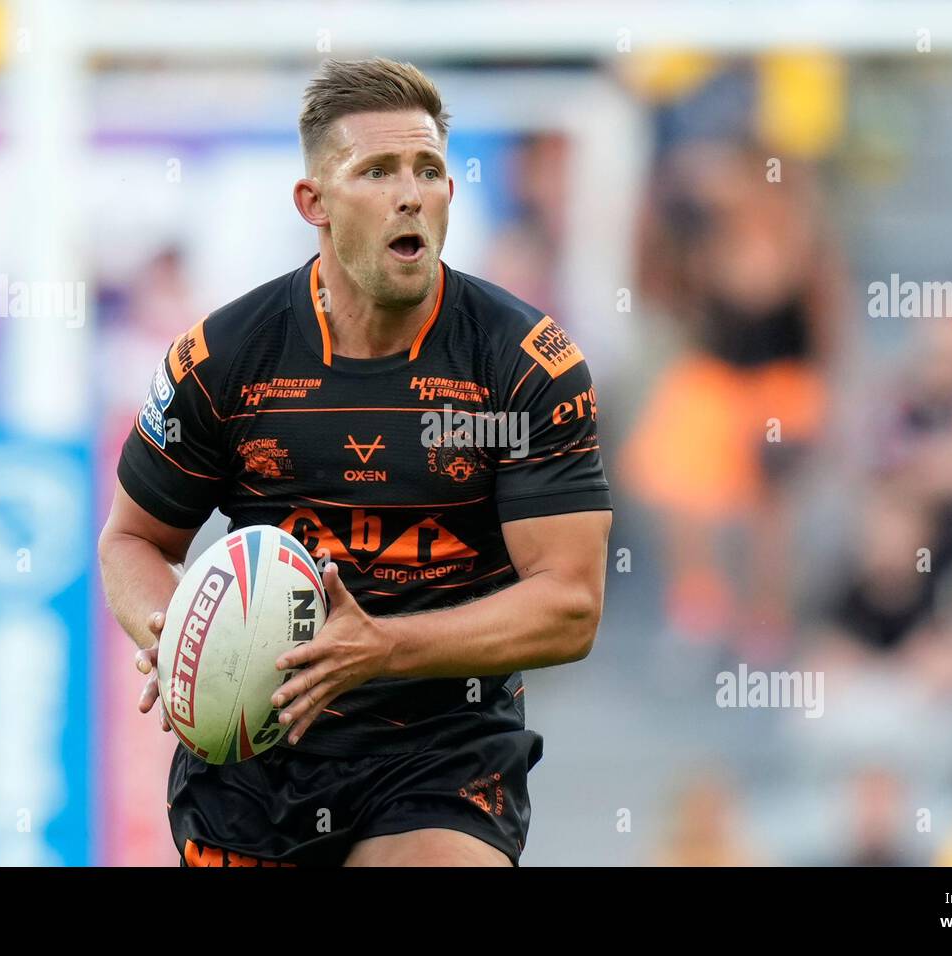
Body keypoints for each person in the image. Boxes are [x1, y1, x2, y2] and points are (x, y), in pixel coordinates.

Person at [98, 57, 612, 867]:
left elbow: (571, 604)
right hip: (254, 755)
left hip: (442, 747)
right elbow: (132, 541)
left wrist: (384, 648)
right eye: (377, 171)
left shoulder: (523, 366)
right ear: (315, 203)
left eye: (429, 170)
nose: (411, 193)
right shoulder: (223, 359)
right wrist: (177, 640)